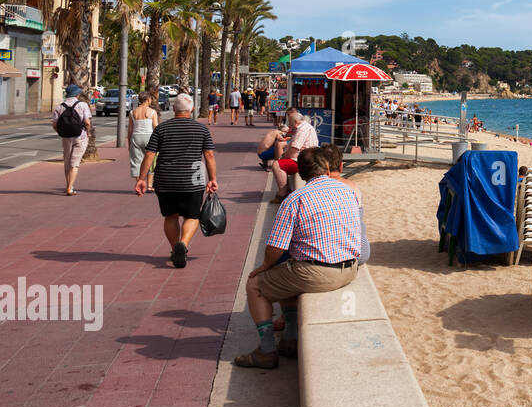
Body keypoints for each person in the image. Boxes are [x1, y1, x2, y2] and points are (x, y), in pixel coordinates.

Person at [236, 147, 362, 369]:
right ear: (326, 168)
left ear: (301, 174)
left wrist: (264, 267)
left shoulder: (296, 199)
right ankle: (290, 339)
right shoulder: (347, 190)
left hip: (319, 273)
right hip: (350, 269)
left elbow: (275, 247)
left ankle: (266, 351)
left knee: (255, 284)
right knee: (286, 271)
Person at [134, 93, 218, 268]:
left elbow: (149, 154)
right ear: (192, 109)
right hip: (193, 180)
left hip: (165, 179)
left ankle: (175, 249)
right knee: (192, 216)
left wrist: (141, 179)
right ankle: (184, 244)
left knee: (170, 216)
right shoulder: (202, 129)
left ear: (173, 109)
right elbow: (209, 155)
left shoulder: (161, 129)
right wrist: (213, 179)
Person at [51, 83, 93, 196]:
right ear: (77, 94)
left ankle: (68, 186)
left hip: (66, 137)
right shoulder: (83, 105)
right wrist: (88, 133)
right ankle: (70, 188)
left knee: (67, 162)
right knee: (75, 163)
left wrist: (60, 132)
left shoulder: (60, 106)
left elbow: (54, 124)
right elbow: (87, 122)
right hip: (80, 136)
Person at [272, 109, 319, 200]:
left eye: (290, 123)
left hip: (305, 161)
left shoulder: (302, 130)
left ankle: (283, 193)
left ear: (296, 122)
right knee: (280, 162)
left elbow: (294, 149)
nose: (289, 126)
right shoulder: (303, 127)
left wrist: (283, 158)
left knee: (277, 164)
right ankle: (286, 190)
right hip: (306, 157)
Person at [128, 90, 160, 191]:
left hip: (136, 137)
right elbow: (156, 127)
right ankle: (149, 186)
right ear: (147, 100)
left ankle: (139, 184)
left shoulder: (133, 112)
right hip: (149, 137)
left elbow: (130, 130)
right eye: (150, 99)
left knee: (137, 161)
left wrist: (129, 143)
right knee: (150, 160)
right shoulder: (152, 112)